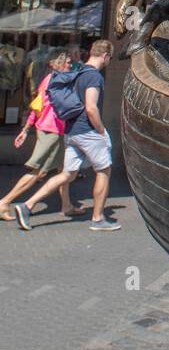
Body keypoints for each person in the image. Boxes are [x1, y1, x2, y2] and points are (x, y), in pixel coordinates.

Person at [14, 40, 120, 232]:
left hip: (71, 131)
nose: (109, 61)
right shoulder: (94, 77)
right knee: (104, 170)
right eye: (110, 58)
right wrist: (102, 132)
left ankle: (27, 205)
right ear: (105, 56)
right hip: (88, 131)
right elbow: (91, 107)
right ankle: (98, 218)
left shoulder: (77, 72)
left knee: (67, 174)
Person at [0, 50, 87, 221]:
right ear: (60, 64)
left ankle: (67, 205)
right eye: (68, 62)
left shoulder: (48, 79)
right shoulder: (58, 81)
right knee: (38, 171)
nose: (71, 65)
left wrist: (26, 129)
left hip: (52, 130)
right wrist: (26, 129)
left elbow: (36, 106)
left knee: (65, 170)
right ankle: (4, 202)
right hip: (52, 131)